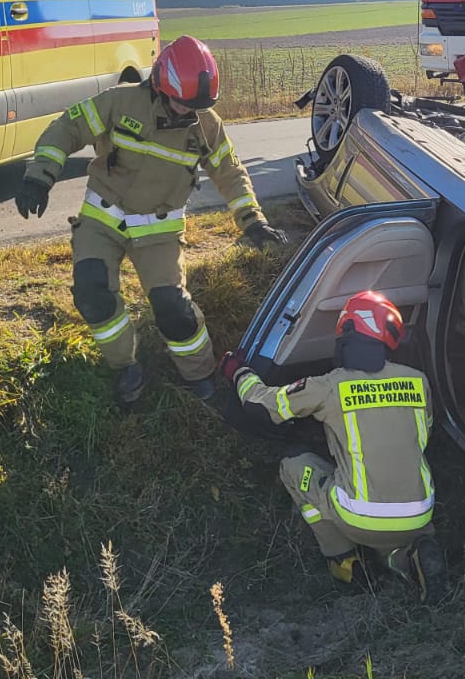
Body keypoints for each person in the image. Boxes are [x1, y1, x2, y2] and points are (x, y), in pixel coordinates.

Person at [15, 35, 286, 407]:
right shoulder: (120, 102)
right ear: (160, 84)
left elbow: (231, 173)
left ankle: (201, 375)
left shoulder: (206, 125)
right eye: (181, 103)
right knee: (92, 293)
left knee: (174, 310)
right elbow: (67, 128)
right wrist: (39, 175)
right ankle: (125, 366)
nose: (186, 113)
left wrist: (252, 220)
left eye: (195, 107)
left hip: (159, 231)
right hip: (102, 220)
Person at [224, 291, 448, 602]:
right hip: (420, 514)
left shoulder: (330, 386)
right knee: (391, 538)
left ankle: (344, 563)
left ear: (347, 334)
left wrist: (238, 371)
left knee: (293, 466)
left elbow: (261, 405)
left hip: (358, 516)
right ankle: (408, 560)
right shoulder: (417, 381)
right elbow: (422, 435)